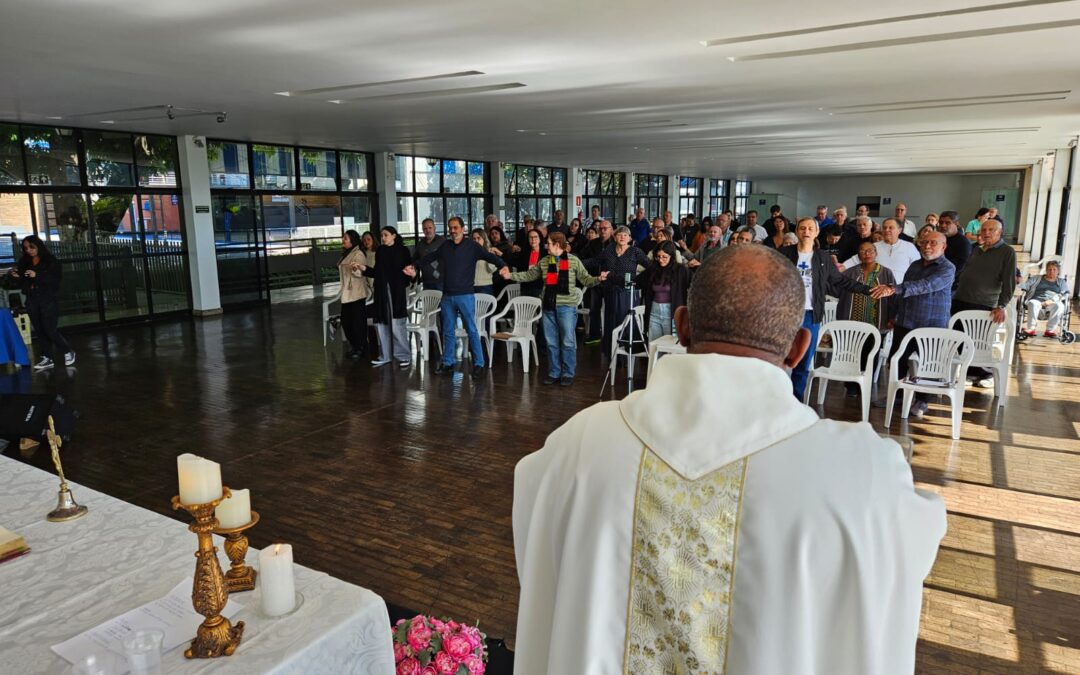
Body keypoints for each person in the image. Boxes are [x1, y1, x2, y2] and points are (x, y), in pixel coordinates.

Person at [512, 244, 946, 675]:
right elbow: (913, 537)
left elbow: (537, 520)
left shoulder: (579, 443)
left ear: (682, 326)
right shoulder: (864, 474)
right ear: (799, 348)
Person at [781, 218, 870, 400]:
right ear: (797, 232)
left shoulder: (822, 257)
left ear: (817, 233)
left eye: (810, 228)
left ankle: (796, 401)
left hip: (810, 315)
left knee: (803, 363)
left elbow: (840, 280)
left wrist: (868, 290)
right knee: (779, 359)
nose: (806, 231)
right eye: (802, 228)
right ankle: (777, 399)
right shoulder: (784, 254)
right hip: (785, 315)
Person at [869, 231, 957, 418]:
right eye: (924, 242)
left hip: (931, 325)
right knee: (897, 361)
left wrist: (892, 288)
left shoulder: (947, 268)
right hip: (905, 321)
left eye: (933, 243)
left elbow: (926, 285)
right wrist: (893, 314)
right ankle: (897, 394)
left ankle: (923, 400)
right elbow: (904, 292)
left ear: (944, 246)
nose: (927, 246)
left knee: (928, 365)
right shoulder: (915, 264)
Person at [410, 216, 508, 378]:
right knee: (448, 331)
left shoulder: (472, 246)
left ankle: (479, 364)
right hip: (447, 296)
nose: (452, 231)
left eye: (455, 227)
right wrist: (414, 266)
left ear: (463, 229)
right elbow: (429, 258)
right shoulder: (445, 246)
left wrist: (503, 266)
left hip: (465, 295)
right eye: (450, 228)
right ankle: (448, 363)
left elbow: (490, 257)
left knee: (471, 330)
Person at [503, 232, 605, 386]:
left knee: (568, 342)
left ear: (557, 244)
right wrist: (510, 275)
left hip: (567, 308)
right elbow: (529, 275)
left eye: (549, 243)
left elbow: (586, 279)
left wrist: (598, 279)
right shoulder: (544, 261)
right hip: (548, 307)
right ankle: (554, 372)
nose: (546, 246)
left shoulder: (573, 261)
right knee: (551, 342)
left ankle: (568, 373)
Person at [951, 218, 1017, 387]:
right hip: (961, 299)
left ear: (1000, 232)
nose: (986, 233)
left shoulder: (1007, 252)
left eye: (991, 230)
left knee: (979, 342)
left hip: (984, 303)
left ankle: (985, 374)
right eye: (983, 229)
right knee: (961, 339)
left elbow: (1009, 282)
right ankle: (969, 372)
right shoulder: (976, 249)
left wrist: (1001, 306)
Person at [836, 241, 897, 396]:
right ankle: (851, 385)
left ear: (876, 253)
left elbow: (893, 298)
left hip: (877, 321)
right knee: (853, 353)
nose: (866, 254)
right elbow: (840, 293)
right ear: (858, 255)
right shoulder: (849, 273)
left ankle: (866, 384)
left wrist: (892, 317)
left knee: (871, 354)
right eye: (862, 251)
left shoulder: (886, 273)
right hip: (853, 321)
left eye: (870, 250)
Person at [585, 225, 651, 357]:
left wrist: (638, 280)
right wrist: (575, 262)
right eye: (619, 234)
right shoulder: (609, 250)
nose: (622, 237)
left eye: (625, 235)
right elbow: (594, 261)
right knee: (611, 321)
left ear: (630, 238)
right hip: (610, 291)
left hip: (627, 293)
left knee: (625, 321)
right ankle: (612, 354)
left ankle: (625, 355)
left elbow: (650, 266)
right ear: (614, 237)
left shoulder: (635, 251)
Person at [13, 236, 73, 370]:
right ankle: (47, 357)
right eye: (26, 248)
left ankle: (67, 351)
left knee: (49, 329)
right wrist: (18, 277)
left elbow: (55, 280)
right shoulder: (24, 261)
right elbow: (24, 282)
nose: (29, 250)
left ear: (38, 246)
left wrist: (37, 275)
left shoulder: (50, 261)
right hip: (32, 298)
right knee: (39, 329)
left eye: (31, 247)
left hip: (47, 298)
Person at [359, 227, 413, 368]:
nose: (383, 238)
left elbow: (408, 271)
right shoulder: (381, 251)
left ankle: (403, 356)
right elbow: (377, 272)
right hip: (382, 292)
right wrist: (364, 269)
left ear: (394, 236)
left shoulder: (403, 250)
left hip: (397, 292)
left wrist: (408, 279)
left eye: (386, 235)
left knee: (397, 324)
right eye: (382, 235)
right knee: (382, 323)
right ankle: (385, 356)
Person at [637, 241, 690, 341]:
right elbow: (636, 281)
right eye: (658, 257)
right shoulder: (652, 270)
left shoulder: (681, 270)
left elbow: (694, 284)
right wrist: (611, 277)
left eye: (664, 257)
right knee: (653, 345)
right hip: (654, 313)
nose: (661, 260)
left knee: (670, 345)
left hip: (672, 313)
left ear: (672, 256)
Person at [841, 218, 920, 283]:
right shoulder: (874, 246)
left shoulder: (909, 247)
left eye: (891, 228)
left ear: (899, 230)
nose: (887, 230)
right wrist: (840, 267)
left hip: (901, 290)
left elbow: (918, 267)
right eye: (884, 228)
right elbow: (855, 260)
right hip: (877, 289)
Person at [337, 230, 371, 359]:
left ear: (352, 240)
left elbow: (360, 272)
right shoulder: (347, 253)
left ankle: (360, 347)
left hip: (356, 293)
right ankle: (355, 346)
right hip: (347, 294)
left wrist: (355, 269)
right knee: (346, 321)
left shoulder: (358, 253)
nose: (343, 240)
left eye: (345, 238)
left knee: (357, 323)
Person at [1019, 260, 1069, 336]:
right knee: (1032, 303)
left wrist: (1051, 300)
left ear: (1058, 271)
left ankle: (1050, 330)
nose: (1051, 271)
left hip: (1053, 303)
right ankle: (1031, 328)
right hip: (1037, 301)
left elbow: (1064, 293)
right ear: (1046, 270)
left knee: (1060, 306)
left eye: (1054, 269)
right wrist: (1019, 282)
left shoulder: (1061, 282)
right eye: (1049, 269)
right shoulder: (1036, 278)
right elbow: (1025, 286)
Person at [937, 211, 971, 282]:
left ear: (956, 224)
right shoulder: (938, 239)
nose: (943, 225)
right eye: (941, 222)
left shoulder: (963, 243)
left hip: (950, 281)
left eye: (947, 223)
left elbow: (960, 267)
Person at [412, 218, 445, 290]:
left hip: (441, 282)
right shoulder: (420, 244)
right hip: (426, 281)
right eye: (425, 228)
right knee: (427, 297)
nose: (428, 230)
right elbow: (415, 260)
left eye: (430, 228)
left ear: (434, 228)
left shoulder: (442, 241)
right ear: (423, 230)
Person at [512, 228, 546, 298]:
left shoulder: (545, 253)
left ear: (540, 239)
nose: (533, 239)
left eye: (535, 237)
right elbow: (519, 268)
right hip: (525, 287)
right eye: (530, 237)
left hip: (540, 288)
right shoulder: (524, 253)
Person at [470, 228, 499, 296]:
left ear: (484, 239)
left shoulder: (489, 251)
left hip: (485, 286)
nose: (476, 241)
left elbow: (492, 270)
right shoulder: (468, 252)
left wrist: (489, 256)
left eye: (478, 238)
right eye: (474, 239)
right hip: (470, 286)